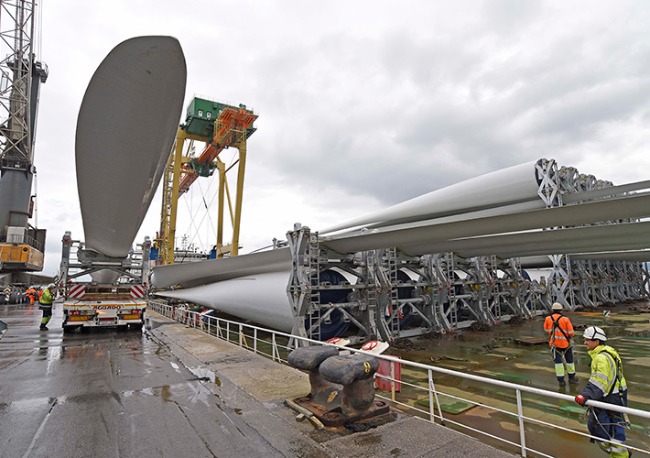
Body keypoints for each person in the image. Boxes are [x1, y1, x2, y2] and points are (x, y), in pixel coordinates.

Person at [575, 326, 630, 458]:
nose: (585, 343)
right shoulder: (610, 352)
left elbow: (599, 381)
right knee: (615, 429)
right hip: (618, 395)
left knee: (599, 428)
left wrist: (584, 395)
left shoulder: (600, 358)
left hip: (610, 398)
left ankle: (622, 455)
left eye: (587, 340)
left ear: (597, 341)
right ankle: (622, 454)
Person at [543, 302, 579, 385]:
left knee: (558, 363)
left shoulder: (548, 318)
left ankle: (561, 381)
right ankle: (572, 378)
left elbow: (546, 330)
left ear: (552, 310)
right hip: (566, 344)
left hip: (555, 345)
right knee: (569, 361)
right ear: (561, 310)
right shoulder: (565, 319)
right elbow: (571, 332)